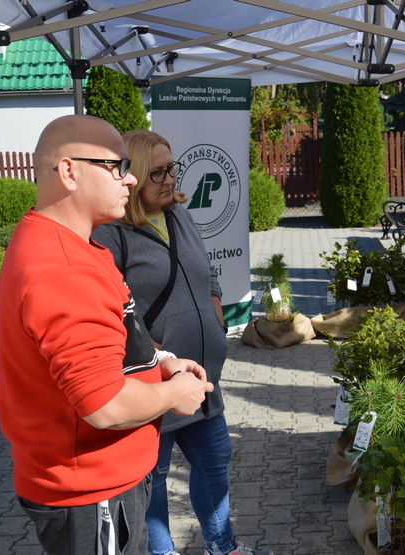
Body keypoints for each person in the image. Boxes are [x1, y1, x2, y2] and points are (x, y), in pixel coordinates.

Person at [0, 115, 214, 555]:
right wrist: (176, 395)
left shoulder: (69, 243)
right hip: (91, 493)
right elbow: (105, 405)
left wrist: (161, 361)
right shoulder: (63, 269)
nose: (131, 178)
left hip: (96, 484)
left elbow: (115, 335)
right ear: (70, 171)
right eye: (117, 166)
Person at [92, 130, 271, 555]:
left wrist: (214, 318)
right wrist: (156, 354)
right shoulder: (111, 234)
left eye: (172, 168)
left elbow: (207, 273)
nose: (170, 178)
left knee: (216, 460)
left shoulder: (179, 214)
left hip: (203, 377)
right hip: (155, 383)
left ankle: (223, 545)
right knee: (151, 479)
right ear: (132, 177)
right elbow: (112, 310)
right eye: (158, 172)